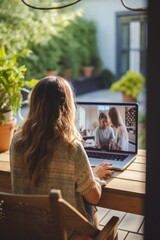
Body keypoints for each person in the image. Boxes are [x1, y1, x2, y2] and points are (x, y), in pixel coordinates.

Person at [9, 76, 106, 238]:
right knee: (90, 206)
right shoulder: (71, 146)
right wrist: (94, 176)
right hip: (66, 234)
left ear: (34, 104)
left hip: (28, 231)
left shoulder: (16, 141)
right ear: (67, 107)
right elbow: (94, 197)